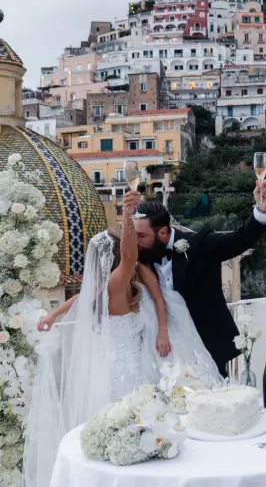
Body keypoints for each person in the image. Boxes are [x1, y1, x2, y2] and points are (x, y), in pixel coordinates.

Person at [23, 190, 222, 487]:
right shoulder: (119, 281)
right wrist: (126, 216)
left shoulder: (107, 288)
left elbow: (80, 296)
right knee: (142, 424)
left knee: (118, 429)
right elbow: (128, 258)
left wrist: (53, 315)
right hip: (133, 369)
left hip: (108, 368)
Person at [135, 180, 266, 377]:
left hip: (206, 343)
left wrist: (262, 209)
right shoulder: (140, 256)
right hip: (165, 346)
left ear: (163, 231)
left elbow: (238, 240)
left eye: (141, 235)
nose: (136, 242)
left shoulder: (198, 244)